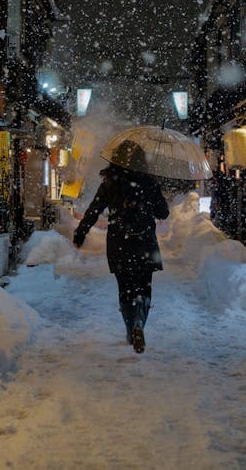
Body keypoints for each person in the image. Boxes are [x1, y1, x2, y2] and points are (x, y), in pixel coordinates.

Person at [73, 141, 170, 353]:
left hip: (119, 242)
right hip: (145, 241)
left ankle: (129, 328)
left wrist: (80, 233)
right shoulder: (149, 182)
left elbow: (94, 210)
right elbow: (163, 213)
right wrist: (152, 194)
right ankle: (139, 324)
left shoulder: (110, 181)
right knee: (144, 287)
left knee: (125, 288)